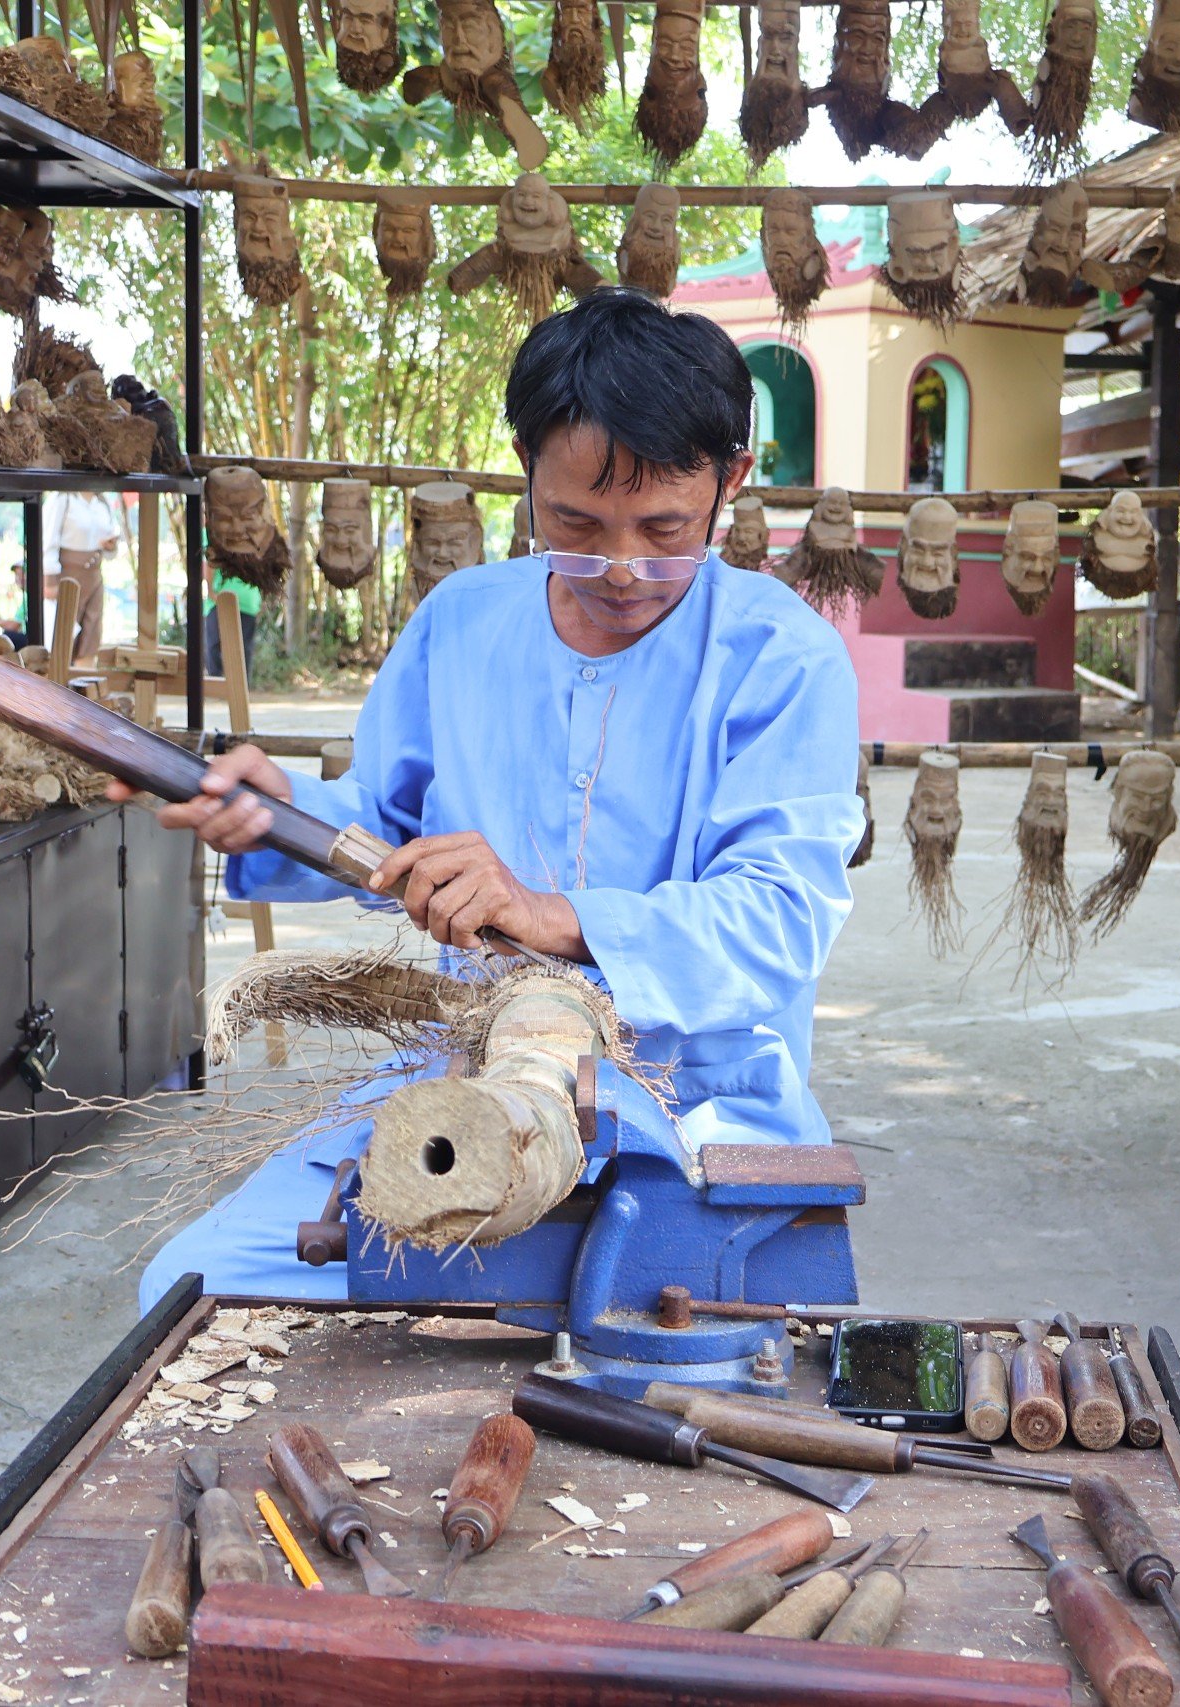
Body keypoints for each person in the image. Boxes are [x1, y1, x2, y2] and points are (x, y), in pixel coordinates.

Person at [131, 288, 863, 1309]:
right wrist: (280, 806)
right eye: (574, 523)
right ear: (524, 474)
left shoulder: (782, 659)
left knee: (695, 1354)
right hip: (466, 1086)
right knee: (195, 1290)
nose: (618, 569)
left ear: (732, 481)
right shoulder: (462, 623)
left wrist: (549, 915)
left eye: (662, 530)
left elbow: (779, 918)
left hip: (692, 1112)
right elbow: (389, 833)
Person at [44, 488, 122, 664]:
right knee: (63, 634)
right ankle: (57, 684)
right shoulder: (63, 498)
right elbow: (48, 540)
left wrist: (110, 545)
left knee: (91, 633)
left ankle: (83, 686)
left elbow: (111, 539)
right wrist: (50, 581)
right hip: (68, 575)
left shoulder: (102, 501)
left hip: (94, 574)